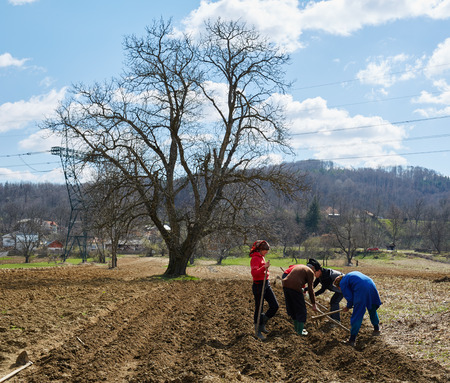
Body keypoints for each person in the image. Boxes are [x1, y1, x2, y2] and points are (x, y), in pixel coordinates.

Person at [333, 271, 382, 346]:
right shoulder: (350, 275)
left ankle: (352, 340)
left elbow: (350, 298)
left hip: (361, 289)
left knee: (357, 315)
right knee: (372, 308)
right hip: (371, 285)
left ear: (338, 285)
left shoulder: (342, 283)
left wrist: (348, 306)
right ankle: (376, 329)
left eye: (338, 288)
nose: (340, 289)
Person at [250, 240, 279, 339]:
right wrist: (264, 267)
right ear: (260, 249)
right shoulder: (255, 259)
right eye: (265, 250)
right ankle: (257, 330)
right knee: (259, 308)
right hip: (258, 285)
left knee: (274, 305)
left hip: (266, 284)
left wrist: (265, 268)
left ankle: (263, 323)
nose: (266, 252)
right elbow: (254, 273)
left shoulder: (262, 257)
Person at [282, 264, 318, 336]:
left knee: (293, 307)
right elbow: (311, 289)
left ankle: (296, 329)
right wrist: (314, 304)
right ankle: (300, 332)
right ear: (313, 269)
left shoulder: (300, 267)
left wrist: (301, 289)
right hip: (295, 287)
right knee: (301, 310)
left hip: (285, 285)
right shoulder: (310, 272)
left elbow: (295, 279)